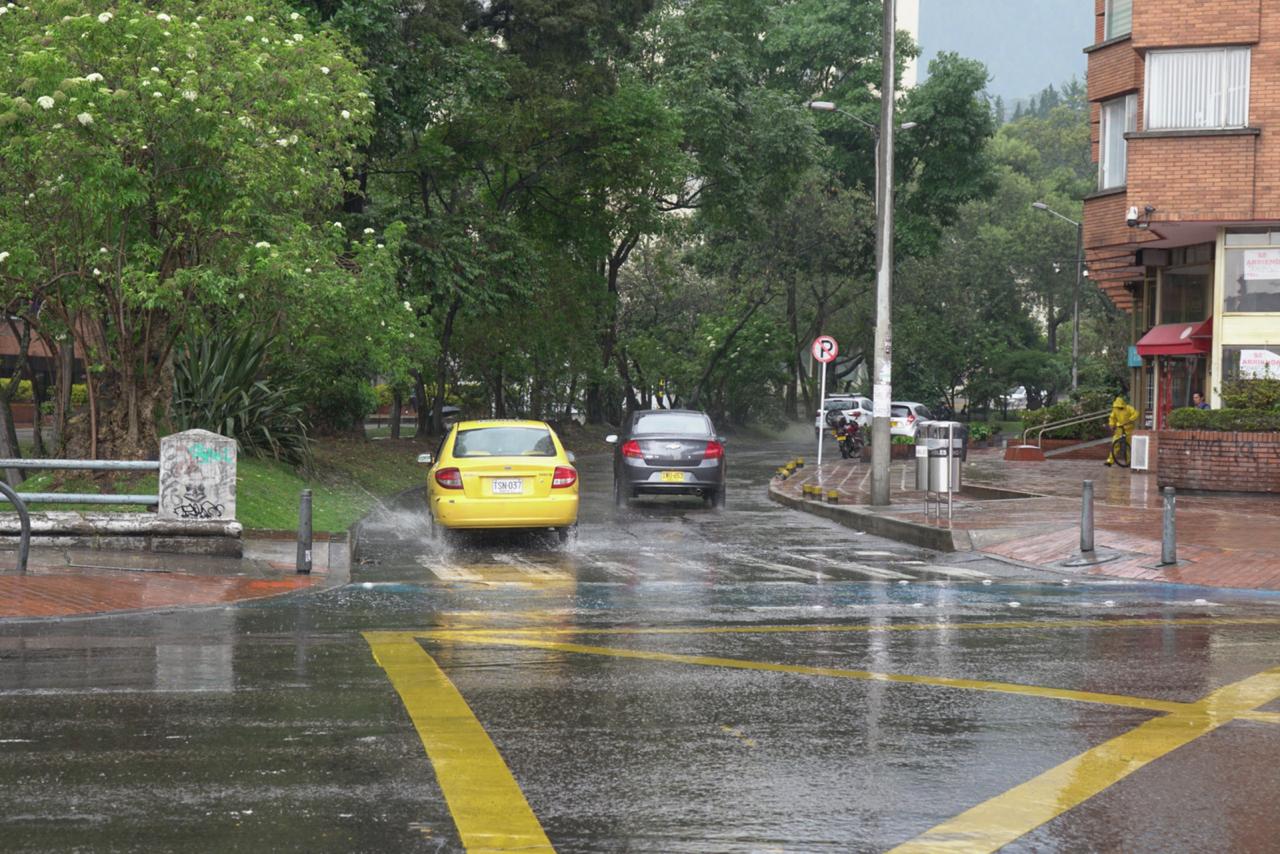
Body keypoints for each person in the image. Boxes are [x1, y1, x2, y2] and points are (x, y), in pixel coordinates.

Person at [1105, 395, 1138, 467]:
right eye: (1118, 407)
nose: (1119, 408)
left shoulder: (1129, 408)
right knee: (1115, 444)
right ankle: (1110, 461)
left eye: (1121, 407)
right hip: (1119, 429)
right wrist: (1111, 424)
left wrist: (1130, 419)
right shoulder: (1115, 409)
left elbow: (1136, 413)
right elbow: (1112, 418)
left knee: (1129, 446)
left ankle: (1129, 462)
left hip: (1129, 429)